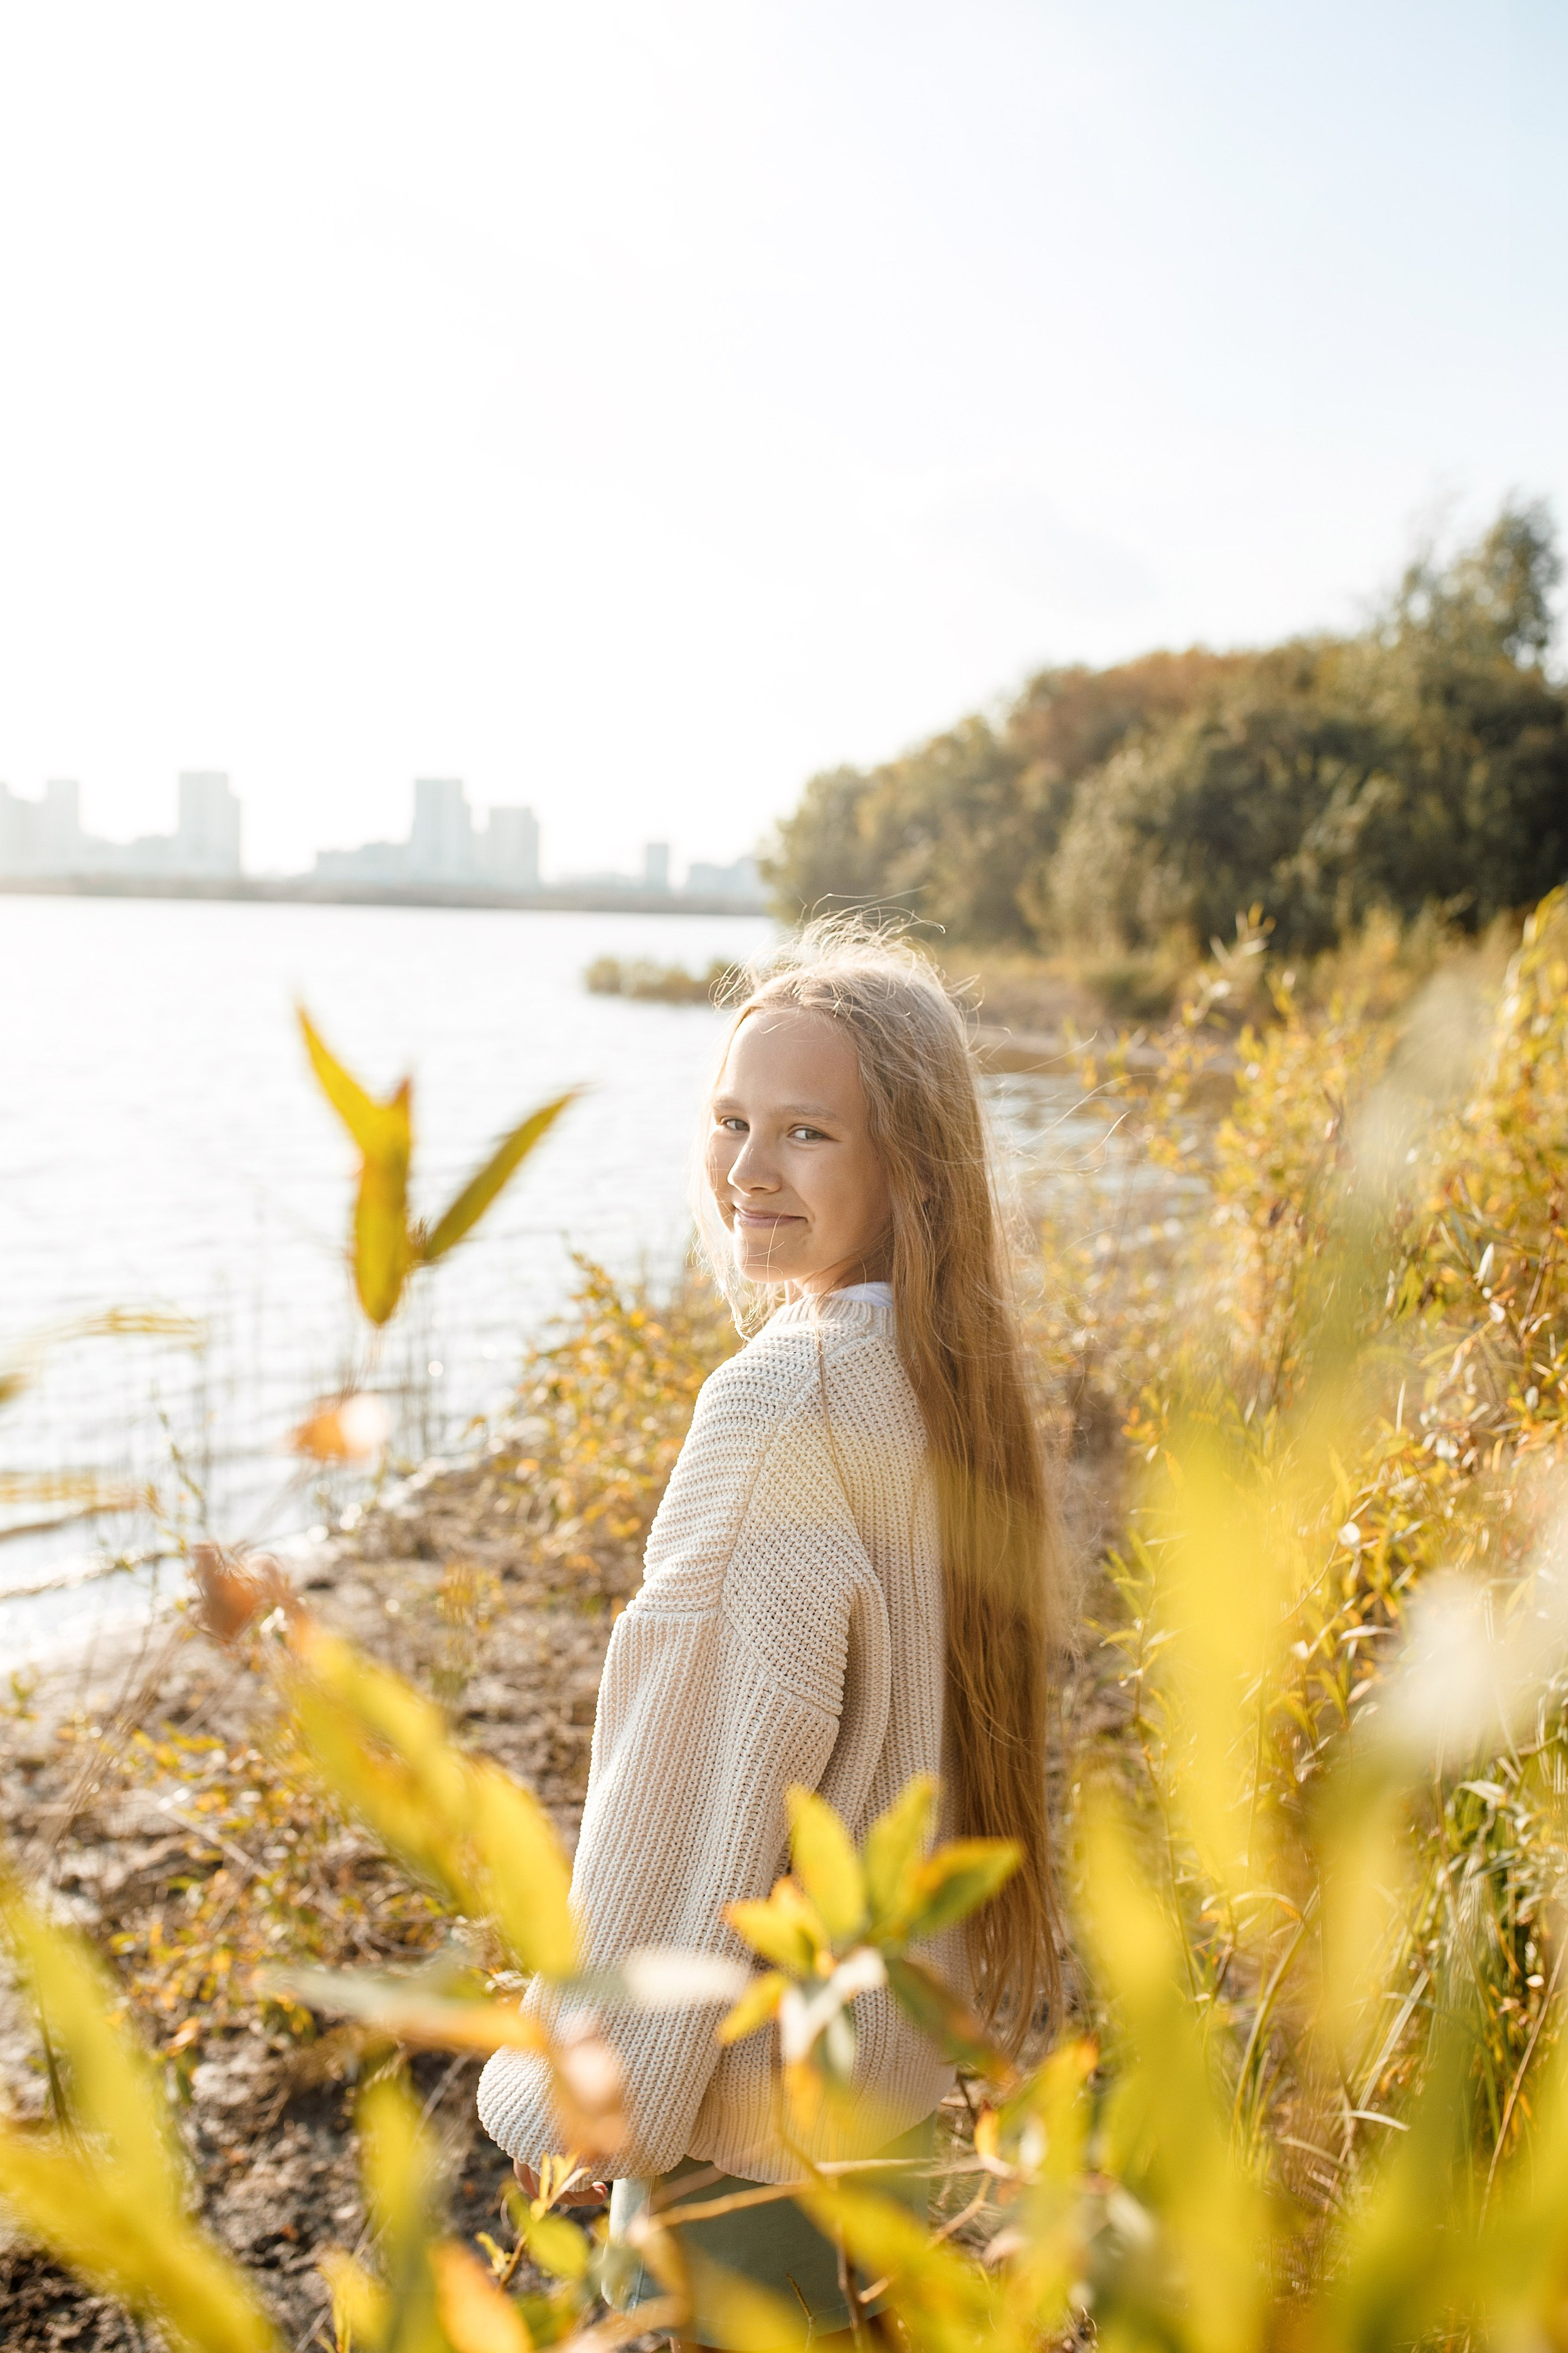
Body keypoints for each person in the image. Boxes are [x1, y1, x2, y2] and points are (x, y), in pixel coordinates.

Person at [478, 922, 1062, 2347]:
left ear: (905, 1169)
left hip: (739, 2135)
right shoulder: (939, 1379)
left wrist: (585, 2087)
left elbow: (692, 1790)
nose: (746, 1169)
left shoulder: (779, 1404)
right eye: (731, 1121)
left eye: (804, 1132)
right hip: (874, 2098)